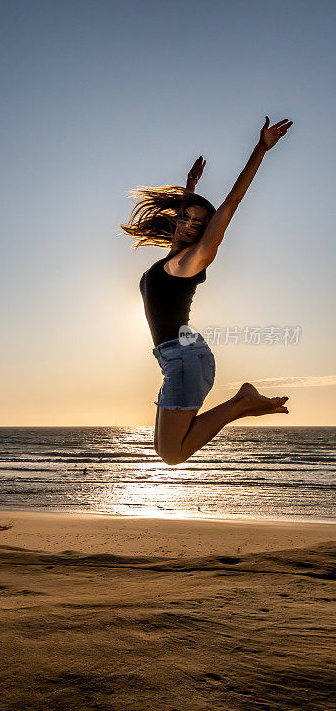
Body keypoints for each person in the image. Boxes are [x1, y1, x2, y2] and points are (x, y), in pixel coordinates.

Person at [120, 116, 293, 465]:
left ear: (206, 231)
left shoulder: (195, 258)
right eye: (185, 216)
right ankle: (241, 405)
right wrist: (191, 184)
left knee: (172, 454)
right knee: (162, 448)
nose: (188, 223)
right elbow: (187, 215)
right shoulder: (175, 253)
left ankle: (242, 403)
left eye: (199, 222)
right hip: (177, 358)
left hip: (186, 359)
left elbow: (231, 203)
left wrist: (260, 149)